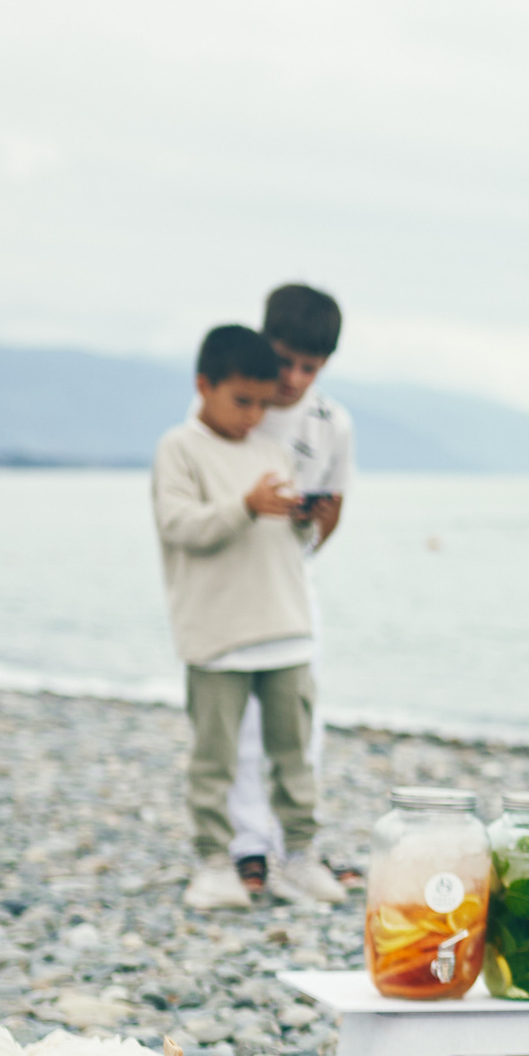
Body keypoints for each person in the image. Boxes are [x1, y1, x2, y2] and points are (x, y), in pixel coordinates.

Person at [151, 325, 334, 912]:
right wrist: (245, 507)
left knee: (293, 754)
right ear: (204, 385)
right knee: (217, 758)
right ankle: (212, 863)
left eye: (262, 403)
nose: (254, 415)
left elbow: (283, 542)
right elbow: (181, 527)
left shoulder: (271, 451)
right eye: (242, 401)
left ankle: (299, 858)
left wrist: (305, 517)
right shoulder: (178, 448)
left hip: (285, 628)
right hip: (219, 637)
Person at [226, 283, 355, 902]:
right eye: (286, 362)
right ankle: (246, 844)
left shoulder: (332, 424)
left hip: (294, 581)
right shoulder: (237, 404)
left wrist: (311, 518)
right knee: (239, 719)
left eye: (310, 367)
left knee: (299, 718)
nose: (294, 378)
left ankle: (292, 841)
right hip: (232, 581)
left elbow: (335, 510)